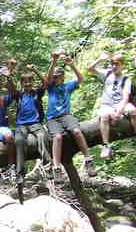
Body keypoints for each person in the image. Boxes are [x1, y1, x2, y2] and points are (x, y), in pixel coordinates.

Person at [46, 50, 96, 181]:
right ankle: (56, 167)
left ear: (62, 77)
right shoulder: (50, 87)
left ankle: (88, 159)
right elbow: (48, 78)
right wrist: (54, 60)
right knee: (57, 137)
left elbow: (81, 79)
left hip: (66, 115)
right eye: (54, 77)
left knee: (77, 131)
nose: (55, 79)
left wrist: (72, 65)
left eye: (57, 77)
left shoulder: (68, 86)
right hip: (52, 119)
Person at [87, 51, 136, 159]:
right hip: (107, 105)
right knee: (104, 116)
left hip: (120, 104)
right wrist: (100, 59)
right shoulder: (107, 74)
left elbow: (125, 97)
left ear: (122, 65)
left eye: (117, 64)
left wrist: (118, 112)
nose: (114, 66)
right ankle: (106, 146)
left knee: (133, 111)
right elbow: (90, 69)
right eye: (112, 64)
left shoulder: (126, 80)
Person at [11, 64, 52, 182]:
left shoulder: (37, 93)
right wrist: (9, 76)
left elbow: (46, 82)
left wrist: (35, 70)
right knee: (19, 141)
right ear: (21, 83)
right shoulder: (19, 95)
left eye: (30, 82)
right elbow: (11, 88)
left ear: (33, 82)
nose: (27, 84)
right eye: (25, 82)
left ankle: (48, 167)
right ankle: (20, 173)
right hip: (21, 125)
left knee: (42, 136)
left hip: (36, 123)